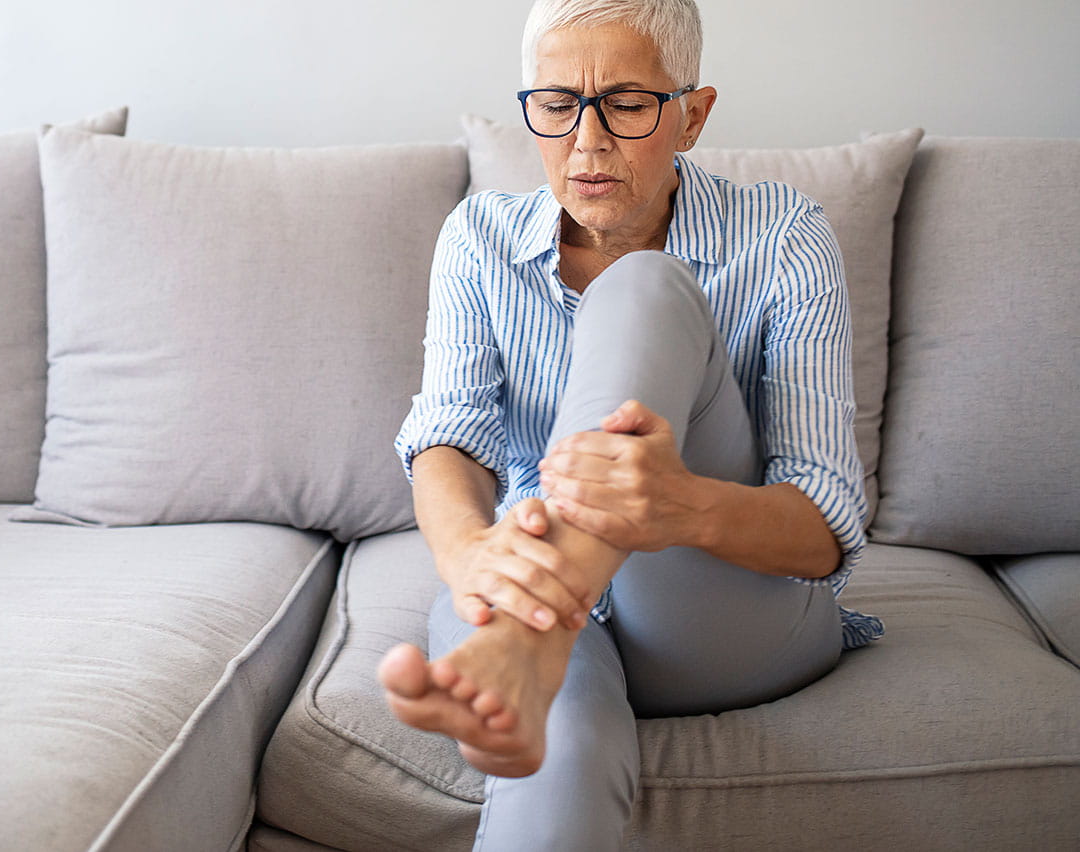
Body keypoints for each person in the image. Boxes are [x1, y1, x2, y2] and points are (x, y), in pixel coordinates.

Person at [374, 0, 885, 847]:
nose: (586, 140)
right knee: (552, 748)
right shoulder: (477, 239)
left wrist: (683, 507)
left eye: (627, 103)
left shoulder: (783, 235)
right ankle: (539, 643)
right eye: (556, 103)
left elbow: (827, 521)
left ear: (692, 114)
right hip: (536, 598)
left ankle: (531, 636)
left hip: (717, 610)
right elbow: (448, 436)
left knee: (643, 286)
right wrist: (471, 560)